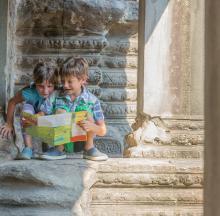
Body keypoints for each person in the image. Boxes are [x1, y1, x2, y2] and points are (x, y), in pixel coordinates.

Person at [40, 56, 108, 161]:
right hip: (60, 140)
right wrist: (35, 118)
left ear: (83, 80)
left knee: (84, 112)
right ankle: (59, 149)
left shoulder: (92, 100)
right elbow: (42, 114)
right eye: (63, 81)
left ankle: (89, 148)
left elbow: (102, 131)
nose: (65, 85)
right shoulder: (55, 96)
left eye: (70, 81)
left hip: (81, 141)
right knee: (60, 111)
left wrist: (92, 126)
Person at [0, 62, 57, 159]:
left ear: (55, 84)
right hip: (32, 117)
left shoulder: (57, 92)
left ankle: (52, 147)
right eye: (41, 86)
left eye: (49, 86)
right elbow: (12, 102)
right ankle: (28, 148)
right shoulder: (29, 92)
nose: (45, 91)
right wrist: (9, 123)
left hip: (48, 118)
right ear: (35, 82)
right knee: (27, 109)